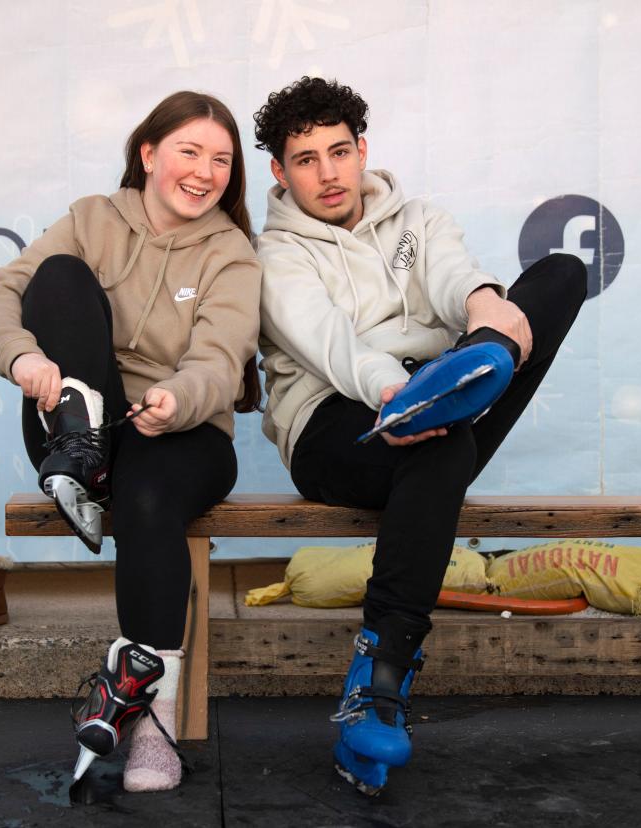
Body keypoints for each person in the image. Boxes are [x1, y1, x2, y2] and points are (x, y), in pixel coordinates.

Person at [252, 77, 587, 795]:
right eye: (306, 160)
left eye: (339, 152)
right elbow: (331, 345)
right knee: (443, 438)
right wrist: (396, 398)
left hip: (440, 398)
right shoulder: (274, 256)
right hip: (337, 426)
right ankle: (383, 677)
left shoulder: (419, 218)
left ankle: (470, 378)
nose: (329, 172)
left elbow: (450, 275)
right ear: (279, 172)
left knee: (559, 276)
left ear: (362, 149)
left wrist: (484, 305)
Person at [0, 91, 262, 793]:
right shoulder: (92, 218)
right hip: (78, 414)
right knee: (59, 277)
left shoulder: (232, 253)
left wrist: (177, 399)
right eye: (189, 152)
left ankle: (150, 718)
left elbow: (221, 361)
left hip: (178, 431)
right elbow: (3, 296)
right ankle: (80, 457)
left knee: (148, 494)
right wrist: (22, 359)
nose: (205, 172)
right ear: (149, 153)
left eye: (221, 159)